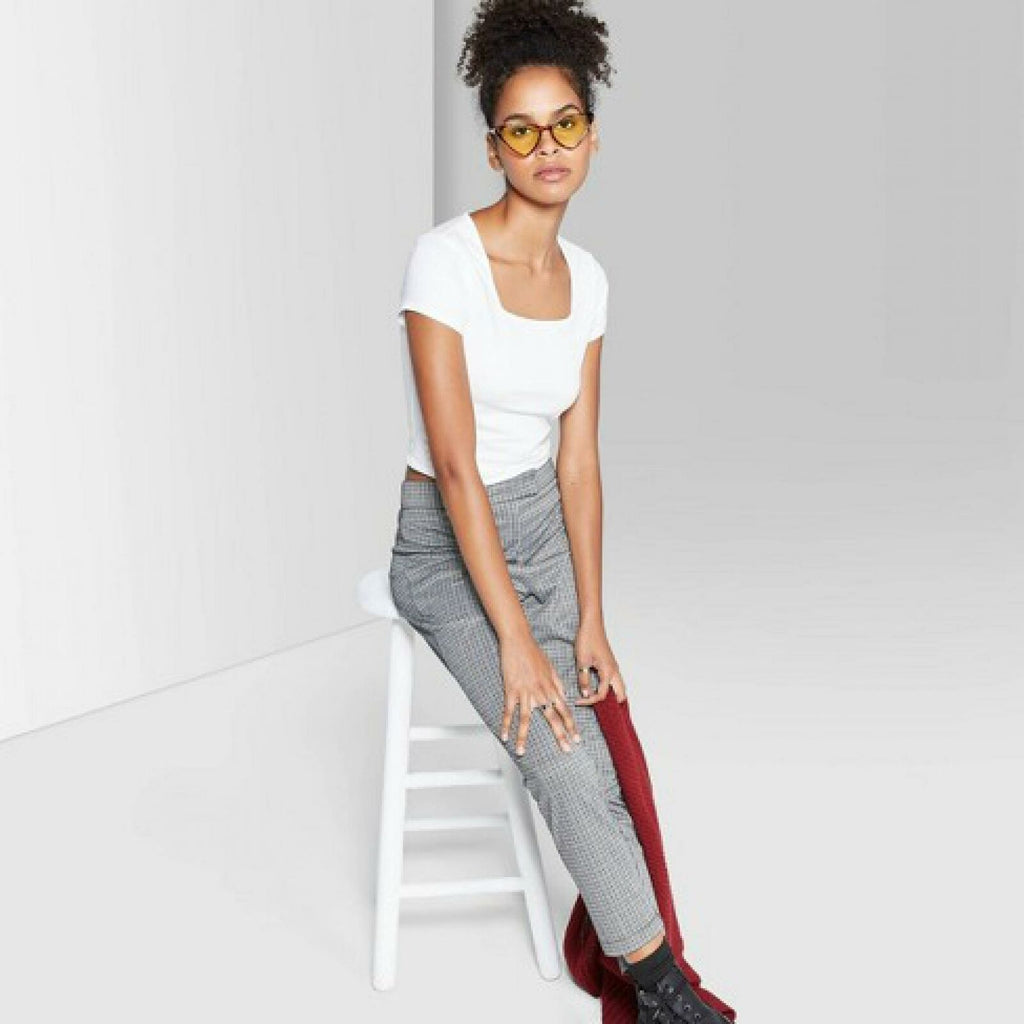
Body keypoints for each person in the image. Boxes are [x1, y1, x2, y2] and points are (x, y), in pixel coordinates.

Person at [388, 3, 732, 1021]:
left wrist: (590, 619)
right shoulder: (444, 260)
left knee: (609, 744)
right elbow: (456, 469)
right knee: (569, 761)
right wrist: (515, 639)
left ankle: (644, 960)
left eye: (566, 123)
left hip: (542, 526)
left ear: (592, 134)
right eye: (523, 129)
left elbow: (578, 462)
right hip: (446, 545)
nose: (548, 147)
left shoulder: (587, 280)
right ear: (493, 146)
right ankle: (663, 992)